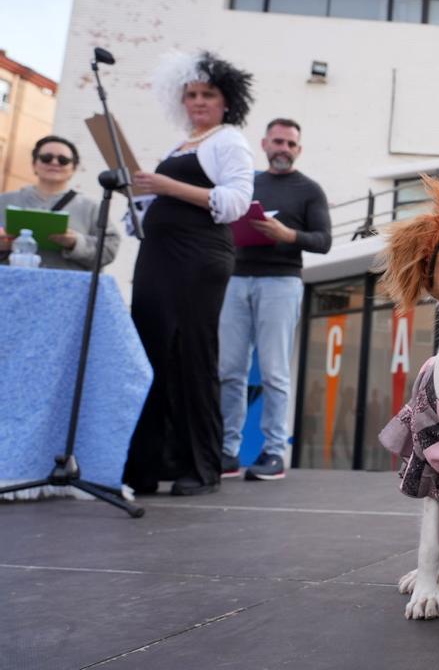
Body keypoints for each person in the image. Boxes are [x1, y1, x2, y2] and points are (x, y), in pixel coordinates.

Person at [122, 51, 254, 497]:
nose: (198, 102)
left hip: (199, 257)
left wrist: (165, 186)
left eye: (208, 94)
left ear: (225, 100)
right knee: (152, 353)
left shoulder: (228, 140)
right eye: (191, 94)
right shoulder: (176, 147)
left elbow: (234, 203)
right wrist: (140, 198)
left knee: (192, 354)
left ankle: (200, 468)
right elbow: (154, 206)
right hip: (157, 256)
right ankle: (147, 465)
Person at [218, 117, 331, 481]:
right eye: (278, 142)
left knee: (274, 371)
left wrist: (287, 233)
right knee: (228, 371)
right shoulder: (244, 183)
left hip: (281, 283)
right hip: (235, 280)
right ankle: (226, 451)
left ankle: (273, 452)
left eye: (290, 144)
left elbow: (323, 241)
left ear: (298, 150)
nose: (283, 149)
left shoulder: (310, 190)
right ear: (264, 144)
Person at [0, 135, 120, 270]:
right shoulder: (4, 201)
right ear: (34, 164)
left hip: (72, 288)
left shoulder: (91, 207)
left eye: (63, 160)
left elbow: (109, 250)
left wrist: (75, 242)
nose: (54, 163)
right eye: (46, 158)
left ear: (73, 168)